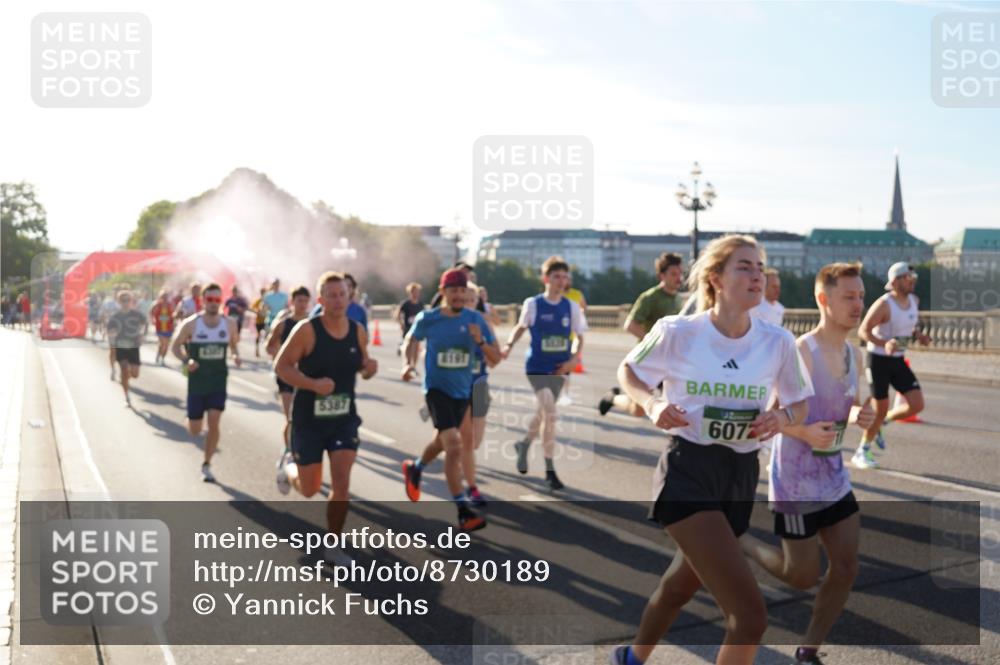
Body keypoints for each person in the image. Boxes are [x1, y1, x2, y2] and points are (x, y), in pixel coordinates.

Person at [609, 235, 813, 665]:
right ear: (716, 279)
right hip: (689, 470)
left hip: (740, 475)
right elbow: (628, 370)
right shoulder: (678, 332)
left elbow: (800, 404)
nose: (757, 276)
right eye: (744, 267)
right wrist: (653, 403)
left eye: (760, 268)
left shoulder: (778, 341)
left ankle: (629, 658)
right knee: (750, 617)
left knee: (679, 587)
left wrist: (781, 417)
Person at [740, 262, 875, 665]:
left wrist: (859, 415)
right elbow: (768, 417)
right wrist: (803, 431)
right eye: (848, 296)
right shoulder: (801, 352)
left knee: (847, 567)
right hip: (795, 482)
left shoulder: (854, 354)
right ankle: (740, 541)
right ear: (823, 299)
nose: (858, 304)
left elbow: (848, 405)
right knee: (801, 576)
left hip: (834, 477)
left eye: (861, 296)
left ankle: (808, 649)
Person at [274, 272, 378, 564]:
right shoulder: (307, 330)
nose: (338, 300)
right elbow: (282, 367)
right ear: (321, 300)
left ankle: (333, 545)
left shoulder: (358, 330)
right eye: (331, 295)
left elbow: (362, 367)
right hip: (309, 421)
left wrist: (369, 369)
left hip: (343, 418)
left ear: (349, 296)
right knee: (309, 489)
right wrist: (312, 384)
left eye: (342, 294)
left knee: (341, 482)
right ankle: (288, 469)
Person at [400, 268, 499, 531]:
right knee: (454, 445)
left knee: (441, 441)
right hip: (436, 390)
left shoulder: (476, 320)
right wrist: (408, 364)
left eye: (462, 291)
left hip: (462, 392)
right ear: (443, 292)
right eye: (453, 290)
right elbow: (411, 340)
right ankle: (463, 511)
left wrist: (480, 342)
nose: (458, 295)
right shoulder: (428, 318)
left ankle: (416, 467)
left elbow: (496, 358)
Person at [501, 256, 588, 491]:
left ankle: (523, 444)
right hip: (537, 367)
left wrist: (573, 359)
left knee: (542, 414)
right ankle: (550, 471)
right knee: (550, 413)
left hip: (560, 367)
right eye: (556, 276)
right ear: (546, 279)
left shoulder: (571, 307)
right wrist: (508, 345)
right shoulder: (533, 304)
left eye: (564, 277)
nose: (561, 281)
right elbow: (521, 327)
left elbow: (580, 337)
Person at [855, 261, 931, 468]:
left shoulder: (914, 300)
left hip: (898, 360)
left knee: (917, 405)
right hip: (878, 360)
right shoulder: (884, 304)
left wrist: (919, 336)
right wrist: (885, 343)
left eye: (914, 278)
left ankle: (882, 422)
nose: (913, 281)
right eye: (908, 278)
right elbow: (863, 331)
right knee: (879, 409)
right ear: (896, 281)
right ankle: (862, 451)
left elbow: (910, 325)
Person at [171, 283, 242, 482]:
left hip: (218, 381)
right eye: (210, 299)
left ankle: (207, 464)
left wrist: (235, 355)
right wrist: (187, 360)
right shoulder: (191, 324)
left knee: (214, 421)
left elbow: (234, 345)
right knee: (195, 430)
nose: (213, 303)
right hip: (197, 383)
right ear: (203, 301)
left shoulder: (230, 324)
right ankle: (191, 419)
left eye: (217, 300)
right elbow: (175, 347)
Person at [600, 252, 685, 417]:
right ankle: (613, 398)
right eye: (674, 274)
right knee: (638, 410)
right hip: (649, 359)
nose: (679, 278)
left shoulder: (679, 300)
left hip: (671, 360)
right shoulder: (650, 297)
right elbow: (630, 325)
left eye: (680, 273)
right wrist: (655, 342)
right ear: (662, 275)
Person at [267, 285, 312, 449]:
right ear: (292, 302)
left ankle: (301, 449)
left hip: (307, 377)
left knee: (306, 419)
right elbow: (269, 346)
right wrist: (281, 357)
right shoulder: (283, 324)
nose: (303, 304)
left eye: (306, 301)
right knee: (291, 417)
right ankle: (288, 451)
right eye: (300, 301)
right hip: (286, 376)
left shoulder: (313, 324)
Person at [106, 291, 148, 408]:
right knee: (124, 369)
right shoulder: (115, 316)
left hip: (133, 347)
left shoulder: (137, 314)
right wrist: (112, 334)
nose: (126, 303)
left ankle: (125, 377)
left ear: (131, 301)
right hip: (121, 347)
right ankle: (127, 397)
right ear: (119, 302)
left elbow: (145, 323)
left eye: (128, 300)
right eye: (123, 300)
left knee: (135, 374)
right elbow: (109, 330)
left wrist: (142, 335)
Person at [395, 282, 425, 356]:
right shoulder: (406, 303)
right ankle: (407, 359)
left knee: (416, 345)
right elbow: (397, 314)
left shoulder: (420, 304)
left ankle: (413, 362)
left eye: (417, 292)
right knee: (408, 345)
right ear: (410, 293)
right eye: (414, 292)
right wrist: (401, 324)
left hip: (417, 327)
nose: (416, 294)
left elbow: (424, 315)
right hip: (407, 327)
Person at [149, 290, 175, 365]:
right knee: (162, 343)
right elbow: (151, 312)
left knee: (166, 345)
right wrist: (152, 320)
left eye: (166, 297)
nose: (165, 298)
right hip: (159, 327)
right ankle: (159, 356)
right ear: (160, 297)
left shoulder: (171, 305)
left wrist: (174, 318)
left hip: (169, 327)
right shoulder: (157, 305)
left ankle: (162, 358)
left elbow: (174, 313)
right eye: (163, 297)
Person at [99, 294, 121, 379]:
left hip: (124, 330)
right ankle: (113, 369)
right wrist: (103, 326)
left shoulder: (128, 303)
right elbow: (102, 314)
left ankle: (122, 370)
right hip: (112, 329)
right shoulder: (108, 303)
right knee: (113, 351)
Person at [251, 287, 268, 358]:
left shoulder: (268, 300)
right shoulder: (258, 301)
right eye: (262, 292)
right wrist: (257, 312)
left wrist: (266, 312)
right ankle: (257, 349)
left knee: (268, 334)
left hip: (266, 321)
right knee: (258, 335)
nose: (263, 294)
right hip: (258, 321)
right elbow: (252, 308)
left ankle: (267, 348)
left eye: (264, 292)